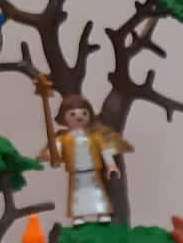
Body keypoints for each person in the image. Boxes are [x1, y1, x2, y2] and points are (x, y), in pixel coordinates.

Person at [51, 92, 131, 225]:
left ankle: (102, 213)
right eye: (72, 114)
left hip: (93, 171)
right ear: (63, 117)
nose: (79, 118)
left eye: (84, 113)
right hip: (76, 172)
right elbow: (56, 151)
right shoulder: (64, 138)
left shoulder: (95, 137)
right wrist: (52, 154)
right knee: (78, 195)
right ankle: (78, 216)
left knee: (97, 193)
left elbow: (104, 150)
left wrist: (111, 165)